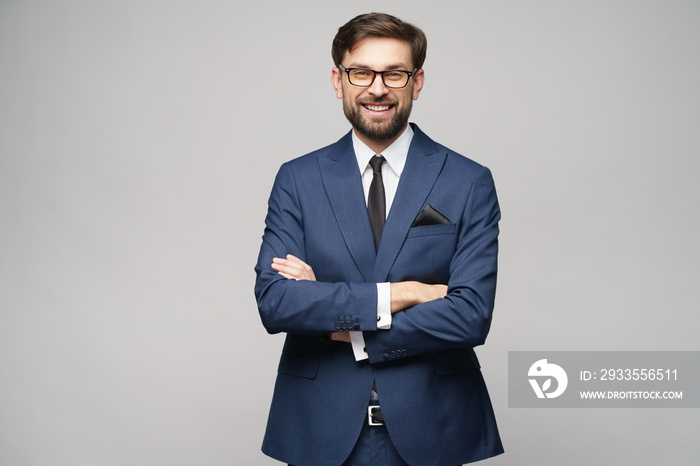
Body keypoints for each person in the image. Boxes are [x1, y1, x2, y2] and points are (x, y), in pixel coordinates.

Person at [254, 12, 503, 466]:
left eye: (395, 73)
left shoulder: (468, 182)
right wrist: (403, 294)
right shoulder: (298, 180)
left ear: (417, 81)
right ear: (338, 80)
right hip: (319, 426)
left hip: (435, 427)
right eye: (361, 72)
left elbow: (470, 315)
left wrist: (342, 325)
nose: (377, 87)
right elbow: (277, 302)